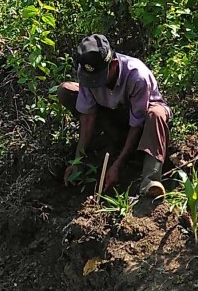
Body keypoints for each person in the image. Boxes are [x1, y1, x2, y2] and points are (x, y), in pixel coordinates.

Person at [57, 34, 170, 197]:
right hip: (113, 115)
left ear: (114, 64)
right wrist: (78, 160)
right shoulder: (87, 76)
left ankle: (150, 180)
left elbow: (136, 123)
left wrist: (118, 164)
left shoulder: (137, 76)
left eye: (99, 78)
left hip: (143, 124)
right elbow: (87, 117)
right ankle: (105, 143)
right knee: (65, 90)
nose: (95, 83)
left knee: (156, 113)